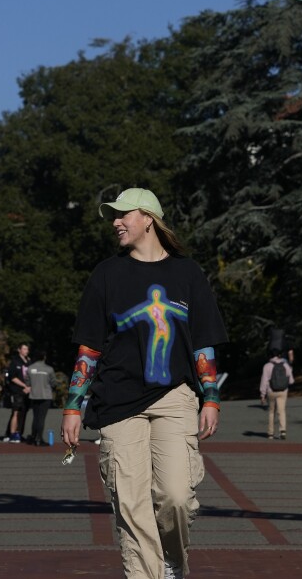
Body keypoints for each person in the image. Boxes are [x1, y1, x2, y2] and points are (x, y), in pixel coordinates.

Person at [61, 187, 227, 579]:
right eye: (114, 216)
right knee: (131, 505)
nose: (116, 222)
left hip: (175, 395)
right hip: (117, 401)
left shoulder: (187, 274)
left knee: (175, 497)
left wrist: (211, 398)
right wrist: (72, 405)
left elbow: (203, 341)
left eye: (124, 214)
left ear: (148, 218)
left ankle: (171, 562)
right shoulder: (106, 273)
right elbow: (89, 346)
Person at [259, 350, 294, 440]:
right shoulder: (286, 365)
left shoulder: (267, 366)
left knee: (271, 412)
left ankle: (270, 433)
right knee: (281, 411)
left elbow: (264, 381)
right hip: (283, 391)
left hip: (271, 391)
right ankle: (283, 431)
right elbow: (291, 380)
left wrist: (262, 395)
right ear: (280, 355)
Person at [27, 351, 56, 447]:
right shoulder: (49, 369)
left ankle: (33, 437)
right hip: (45, 396)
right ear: (44, 357)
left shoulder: (30, 368)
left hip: (34, 395)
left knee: (35, 417)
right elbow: (54, 383)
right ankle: (39, 439)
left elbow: (27, 382)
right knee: (41, 418)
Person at [4, 342, 31, 443]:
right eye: (24, 349)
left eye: (27, 349)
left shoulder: (29, 361)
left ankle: (19, 433)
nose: (26, 351)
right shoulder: (15, 361)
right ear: (19, 350)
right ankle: (11, 434)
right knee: (16, 412)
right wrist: (24, 386)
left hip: (27, 392)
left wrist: (29, 387)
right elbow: (12, 377)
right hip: (17, 391)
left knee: (23, 413)